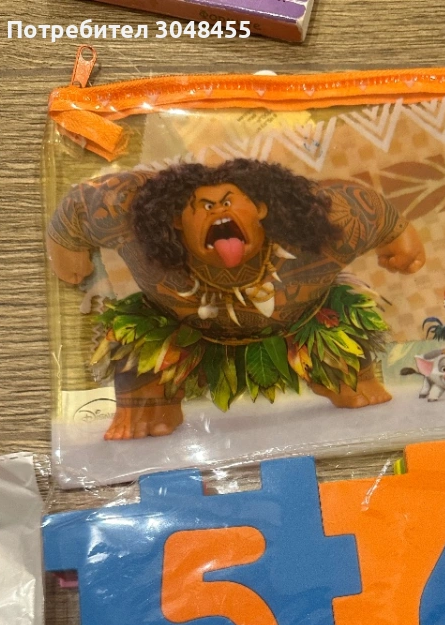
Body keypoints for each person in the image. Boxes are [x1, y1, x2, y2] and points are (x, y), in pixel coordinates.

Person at [47, 158, 425, 439]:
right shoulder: (132, 230)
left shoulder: (331, 227)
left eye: (229, 201)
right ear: (176, 221)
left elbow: (370, 210)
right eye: (203, 206)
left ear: (261, 209)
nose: (218, 209)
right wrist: (65, 244)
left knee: (345, 356)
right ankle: (150, 397)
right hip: (181, 329)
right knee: (142, 357)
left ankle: (341, 374)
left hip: (303, 322)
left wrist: (400, 237)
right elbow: (83, 202)